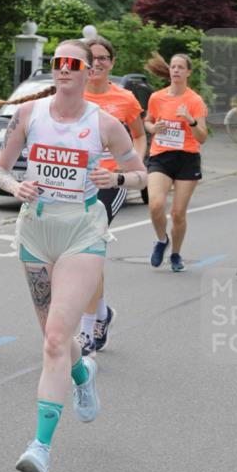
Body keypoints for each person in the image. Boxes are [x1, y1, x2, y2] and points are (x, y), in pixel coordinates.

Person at [0, 39, 147, 472]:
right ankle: (83, 373)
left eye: (72, 64)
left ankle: (40, 446)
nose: (63, 70)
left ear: (87, 73)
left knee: (56, 338)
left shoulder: (105, 123)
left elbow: (140, 173)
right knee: (54, 338)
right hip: (36, 232)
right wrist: (14, 186)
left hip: (81, 230)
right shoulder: (29, 114)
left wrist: (114, 176)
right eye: (56, 63)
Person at [77, 35, 147, 354]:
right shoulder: (71, 96)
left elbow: (139, 135)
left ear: (112, 63)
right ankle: (103, 312)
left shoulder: (125, 100)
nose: (97, 63)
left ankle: (88, 330)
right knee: (78, 255)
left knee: (89, 251)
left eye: (103, 58)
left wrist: (131, 169)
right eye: (91, 57)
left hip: (109, 181)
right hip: (74, 183)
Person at [144, 53, 208, 272]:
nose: (177, 70)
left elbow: (202, 137)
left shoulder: (194, 100)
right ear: (169, 70)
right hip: (161, 156)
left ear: (188, 72)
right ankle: (162, 240)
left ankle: (176, 254)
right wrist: (152, 128)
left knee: (178, 213)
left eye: (181, 67)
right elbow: (147, 121)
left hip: (187, 158)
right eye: (173, 67)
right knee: (156, 205)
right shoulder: (157, 97)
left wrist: (189, 120)